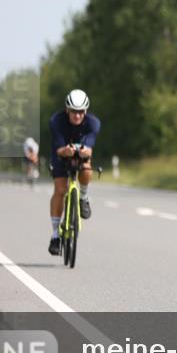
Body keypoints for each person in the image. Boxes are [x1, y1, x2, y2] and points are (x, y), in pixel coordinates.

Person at [48, 89, 101, 255]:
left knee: (86, 167)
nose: (77, 116)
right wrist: (66, 151)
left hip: (81, 153)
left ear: (85, 111)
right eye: (73, 112)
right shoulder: (56, 121)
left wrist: (85, 152)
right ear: (67, 110)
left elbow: (90, 147)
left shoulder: (93, 123)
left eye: (80, 112)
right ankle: (55, 235)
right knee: (60, 190)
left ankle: (83, 197)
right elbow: (58, 148)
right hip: (62, 153)